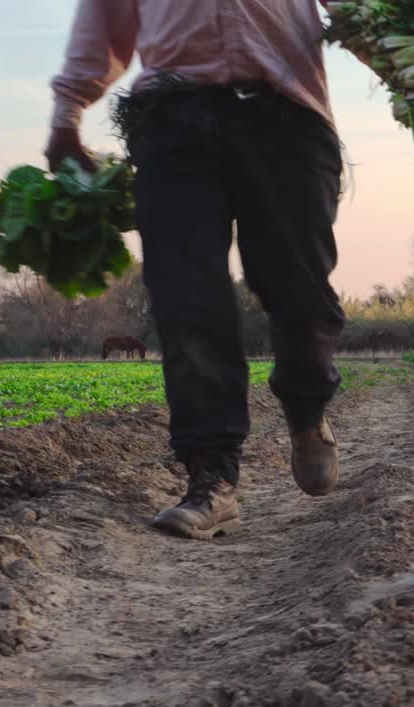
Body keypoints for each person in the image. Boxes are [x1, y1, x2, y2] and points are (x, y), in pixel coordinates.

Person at [45, 0, 348, 540]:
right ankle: (212, 478)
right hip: (172, 119)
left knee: (300, 290)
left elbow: (363, 9)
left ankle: (306, 410)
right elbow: (103, 19)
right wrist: (67, 113)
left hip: (285, 116)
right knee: (187, 301)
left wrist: (409, 43)